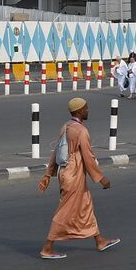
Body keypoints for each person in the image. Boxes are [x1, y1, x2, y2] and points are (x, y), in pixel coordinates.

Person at [38, 98, 120, 259]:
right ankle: (47, 248)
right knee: (65, 211)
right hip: (73, 174)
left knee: (85, 206)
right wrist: (101, 179)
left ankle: (99, 241)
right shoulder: (81, 131)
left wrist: (48, 174)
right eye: (86, 108)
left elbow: (56, 151)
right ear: (79, 111)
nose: (88, 111)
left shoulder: (66, 126)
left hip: (66, 172)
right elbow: (88, 157)